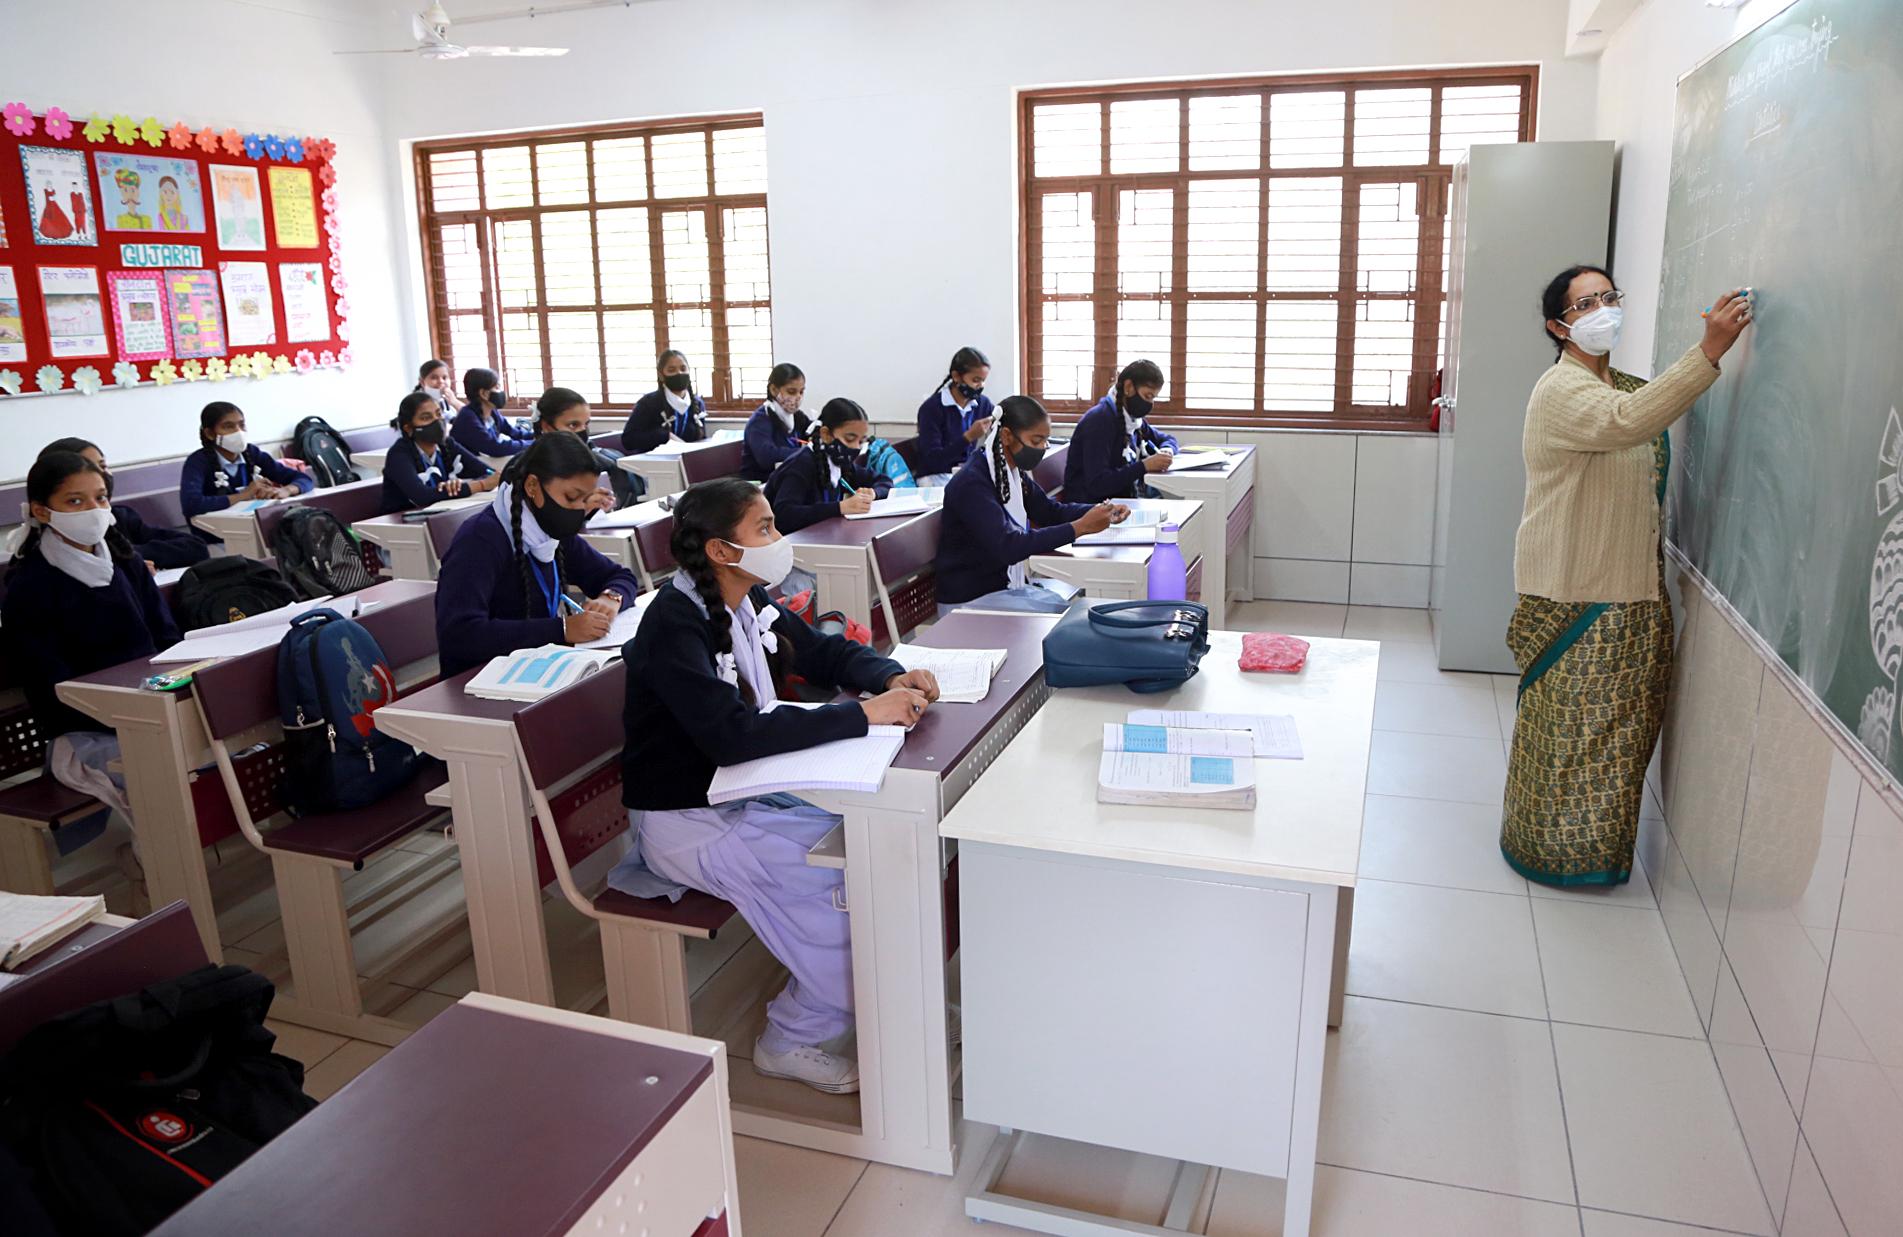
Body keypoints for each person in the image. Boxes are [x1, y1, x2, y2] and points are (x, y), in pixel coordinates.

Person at [610, 477, 940, 1093]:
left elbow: (825, 653)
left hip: (746, 793)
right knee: (847, 880)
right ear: (719, 550)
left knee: (876, 850)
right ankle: (791, 1037)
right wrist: (864, 714)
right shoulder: (673, 625)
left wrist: (894, 673)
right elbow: (732, 735)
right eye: (764, 529)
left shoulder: (743, 600)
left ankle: (888, 994)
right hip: (689, 822)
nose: (778, 540)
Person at [1503, 268, 1752, 887]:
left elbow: (1633, 412)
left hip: (1622, 586)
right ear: (1558, 326)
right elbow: (1627, 422)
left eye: (1610, 298)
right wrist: (1710, 352)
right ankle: (1551, 851)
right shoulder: (1561, 389)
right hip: (1579, 589)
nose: (1602, 310)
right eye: (1585, 303)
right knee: (1572, 733)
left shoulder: (1614, 382)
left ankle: (1594, 853)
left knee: (1613, 738)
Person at [2, 450, 180, 823]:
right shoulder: (30, 586)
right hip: (84, 732)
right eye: (75, 501)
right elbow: (51, 689)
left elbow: (166, 640)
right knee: (164, 774)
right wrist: (133, 717)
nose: (93, 509)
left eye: (100, 497)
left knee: (216, 754)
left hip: (151, 712)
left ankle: (167, 860)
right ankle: (158, 867)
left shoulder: (126, 561)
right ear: (41, 511)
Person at [434, 432, 640, 677]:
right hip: (477, 680)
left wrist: (611, 598)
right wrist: (560, 629)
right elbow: (460, 634)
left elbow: (619, 576)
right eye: (571, 498)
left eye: (585, 500)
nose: (578, 510)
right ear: (532, 486)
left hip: (538, 668)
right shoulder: (480, 539)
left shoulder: (550, 529)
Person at [936, 395, 1124, 614]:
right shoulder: (973, 482)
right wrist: (1081, 527)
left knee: (1077, 612)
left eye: (1045, 440)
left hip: (1002, 588)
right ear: (1006, 436)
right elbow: (1009, 546)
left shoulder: (1009, 472)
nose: (1042, 447)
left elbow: (1048, 511)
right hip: (970, 598)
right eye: (1036, 441)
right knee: (1070, 618)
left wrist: (1100, 511)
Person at [40, 437, 206, 571]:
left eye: (102, 465)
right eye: (89, 468)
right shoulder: (44, 547)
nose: (100, 475)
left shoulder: (120, 517)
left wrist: (130, 557)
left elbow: (195, 547)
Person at [179, 401, 313, 538]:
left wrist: (286, 490)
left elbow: (304, 479)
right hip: (218, 539)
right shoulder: (197, 462)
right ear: (210, 434)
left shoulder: (251, 453)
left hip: (257, 532)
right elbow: (192, 504)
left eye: (242, 425)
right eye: (228, 426)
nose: (238, 431)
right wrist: (243, 496)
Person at [762, 398, 893, 533]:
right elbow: (784, 515)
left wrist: (872, 493)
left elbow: (885, 481)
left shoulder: (838, 462)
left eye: (861, 441)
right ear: (826, 435)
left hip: (820, 538)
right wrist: (840, 508)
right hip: (789, 543)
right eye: (850, 439)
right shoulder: (800, 465)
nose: (856, 447)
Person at [1064, 359, 1178, 503]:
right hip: (1091, 508)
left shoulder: (1132, 420)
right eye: (1147, 396)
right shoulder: (1100, 421)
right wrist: (1144, 466)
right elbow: (1097, 484)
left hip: (1121, 503)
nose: (1150, 404)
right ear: (1129, 387)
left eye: (1153, 398)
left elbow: (1167, 439)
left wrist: (1167, 450)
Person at [381, 391, 499, 514]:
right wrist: (480, 485)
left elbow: (487, 472)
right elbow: (422, 496)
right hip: (400, 521)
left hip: (441, 513)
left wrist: (458, 486)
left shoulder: (447, 444)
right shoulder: (398, 454)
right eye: (426, 418)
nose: (437, 421)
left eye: (439, 414)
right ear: (409, 428)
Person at [533, 386, 644, 509]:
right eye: (573, 425)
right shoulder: (529, 468)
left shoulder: (600, 463)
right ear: (546, 427)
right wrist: (584, 509)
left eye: (585, 424)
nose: (582, 431)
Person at [914, 346, 994, 484]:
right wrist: (968, 437)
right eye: (975, 380)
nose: (980, 386)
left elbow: (1001, 417)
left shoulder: (981, 404)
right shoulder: (932, 409)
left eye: (983, 380)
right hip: (935, 477)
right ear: (956, 376)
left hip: (962, 473)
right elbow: (934, 461)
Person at [621, 350, 708, 454]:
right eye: (672, 370)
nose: (679, 373)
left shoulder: (697, 403)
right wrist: (665, 436)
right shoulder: (648, 403)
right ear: (661, 375)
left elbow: (700, 438)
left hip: (686, 463)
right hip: (652, 464)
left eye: (683, 369)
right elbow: (628, 440)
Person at [741, 363, 810, 481]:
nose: (798, 397)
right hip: (760, 483)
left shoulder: (798, 417)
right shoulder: (760, 421)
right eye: (792, 392)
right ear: (773, 390)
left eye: (801, 392)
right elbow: (767, 457)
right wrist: (806, 451)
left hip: (787, 477)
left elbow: (811, 431)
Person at [452, 366, 534, 458]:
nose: (501, 392)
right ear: (483, 393)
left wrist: (541, 436)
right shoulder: (467, 417)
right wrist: (533, 444)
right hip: (466, 468)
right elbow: (496, 448)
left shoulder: (492, 412)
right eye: (497, 387)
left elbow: (515, 433)